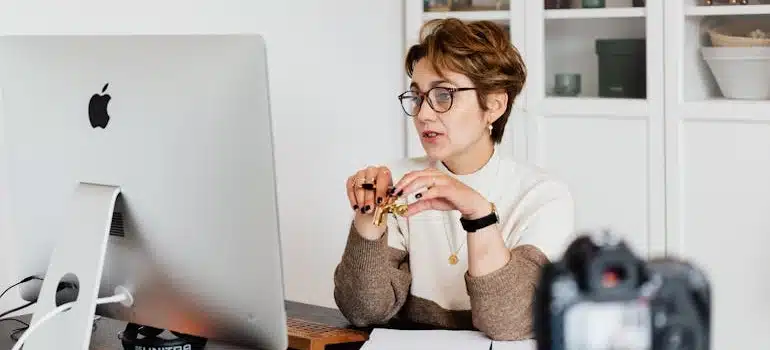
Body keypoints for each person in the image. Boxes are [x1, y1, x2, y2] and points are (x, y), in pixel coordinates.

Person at [333, 18, 575, 341]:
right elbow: (363, 310)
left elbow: (511, 321)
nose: (424, 114)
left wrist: (479, 215)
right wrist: (367, 221)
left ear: (494, 104)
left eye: (443, 95)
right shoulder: (399, 183)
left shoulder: (543, 196)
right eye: (417, 97)